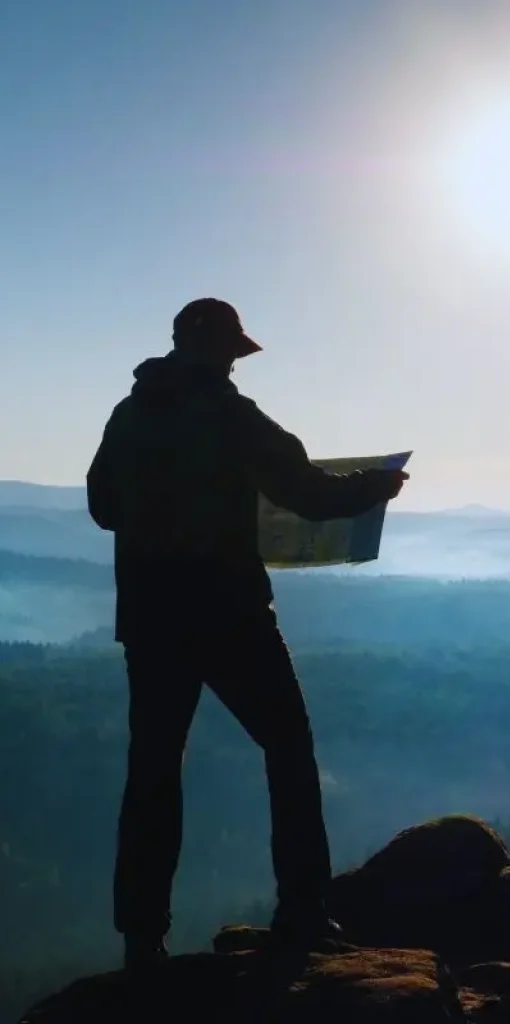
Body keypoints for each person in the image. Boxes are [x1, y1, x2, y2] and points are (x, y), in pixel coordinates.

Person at [86, 298, 408, 969]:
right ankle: (302, 913)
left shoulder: (128, 414)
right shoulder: (231, 416)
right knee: (288, 745)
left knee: (153, 771)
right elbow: (306, 492)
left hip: (149, 619)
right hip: (229, 611)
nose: (235, 363)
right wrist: (373, 487)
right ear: (220, 350)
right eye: (233, 352)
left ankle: (142, 939)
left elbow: (101, 506)